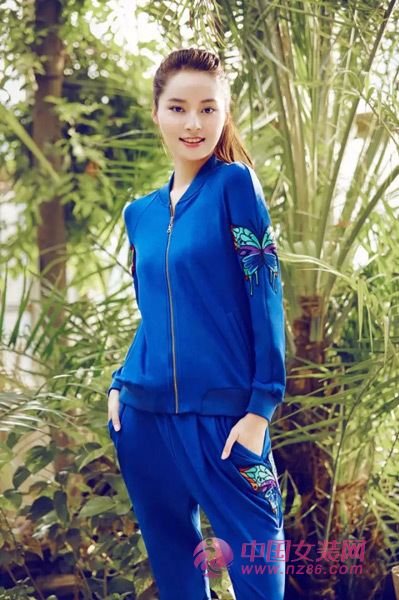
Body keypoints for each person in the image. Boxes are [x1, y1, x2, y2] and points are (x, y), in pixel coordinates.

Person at [107, 47, 286, 600]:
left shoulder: (235, 186)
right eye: (179, 108)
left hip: (228, 423)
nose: (194, 123)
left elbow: (266, 294)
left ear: (224, 114)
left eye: (208, 108)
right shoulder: (139, 214)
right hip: (143, 420)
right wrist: (120, 381)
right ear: (157, 113)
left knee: (261, 572)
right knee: (178, 578)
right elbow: (154, 314)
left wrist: (261, 408)